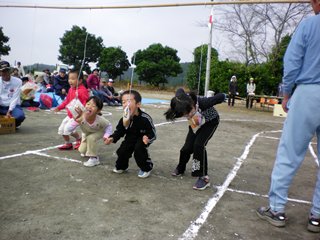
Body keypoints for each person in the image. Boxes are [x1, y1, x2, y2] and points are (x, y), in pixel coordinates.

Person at [256, 0, 320, 233]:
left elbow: (292, 62)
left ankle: (276, 208)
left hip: (309, 92)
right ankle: (318, 216)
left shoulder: (309, 25)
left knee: (289, 153)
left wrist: (286, 93)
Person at [164, 88, 226, 190]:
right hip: (195, 123)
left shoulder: (204, 102)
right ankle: (181, 167)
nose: (187, 115)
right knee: (187, 148)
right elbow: (180, 90)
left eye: (188, 112)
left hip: (210, 123)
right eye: (185, 115)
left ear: (192, 104)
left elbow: (220, 97)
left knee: (198, 145)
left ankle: (202, 177)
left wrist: (223, 95)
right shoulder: (180, 100)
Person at [104, 90, 156, 178]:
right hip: (130, 138)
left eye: (129, 101)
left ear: (138, 104)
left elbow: (153, 133)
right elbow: (119, 131)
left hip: (142, 138)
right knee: (122, 150)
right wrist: (112, 138)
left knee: (139, 150)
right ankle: (122, 166)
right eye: (123, 102)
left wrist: (148, 138)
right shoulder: (124, 119)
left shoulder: (145, 118)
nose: (125, 104)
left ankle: (147, 167)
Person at [54, 68, 89, 150]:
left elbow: (86, 103)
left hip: (77, 116)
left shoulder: (83, 91)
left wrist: (82, 114)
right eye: (69, 78)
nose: (70, 81)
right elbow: (67, 101)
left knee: (67, 129)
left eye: (73, 79)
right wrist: (59, 107)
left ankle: (79, 139)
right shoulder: (70, 89)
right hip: (70, 115)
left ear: (80, 80)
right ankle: (68, 144)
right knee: (62, 129)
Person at [74, 96, 112, 167]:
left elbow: (109, 126)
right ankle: (88, 151)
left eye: (93, 106)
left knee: (91, 138)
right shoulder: (82, 116)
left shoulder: (100, 119)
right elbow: (73, 124)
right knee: (82, 150)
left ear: (98, 110)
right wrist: (77, 117)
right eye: (88, 104)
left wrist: (106, 135)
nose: (89, 107)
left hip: (99, 131)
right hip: (87, 132)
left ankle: (94, 158)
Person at [0, 60, 25, 128]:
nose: (5, 73)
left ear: (10, 71)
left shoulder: (18, 81)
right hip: (1, 106)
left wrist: (9, 111)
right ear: (0, 72)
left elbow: (15, 98)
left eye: (7, 70)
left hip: (13, 106)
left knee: (20, 116)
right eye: (3, 71)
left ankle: (15, 124)